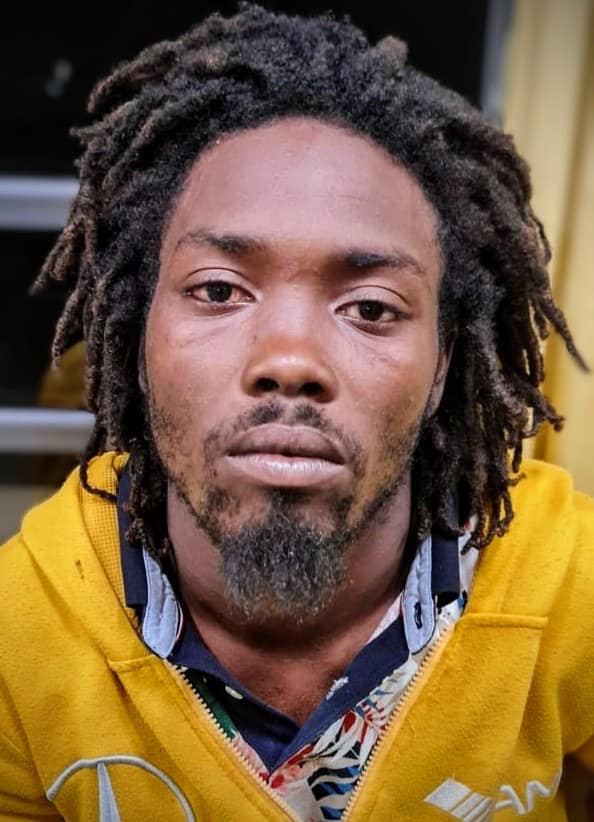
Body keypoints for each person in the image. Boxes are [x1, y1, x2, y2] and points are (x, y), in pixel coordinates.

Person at [1, 5, 592, 820]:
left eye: (371, 308)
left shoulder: (570, 587)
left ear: (441, 364)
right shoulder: (21, 631)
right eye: (219, 290)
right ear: (139, 339)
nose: (289, 361)